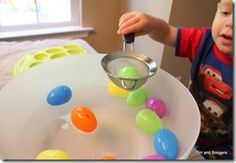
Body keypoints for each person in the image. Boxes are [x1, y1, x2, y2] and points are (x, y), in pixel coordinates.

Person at [117, 0, 233, 160]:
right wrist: (151, 23)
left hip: (222, 147)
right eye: (226, 12)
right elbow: (167, 33)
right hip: (185, 126)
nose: (230, 23)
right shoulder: (203, 42)